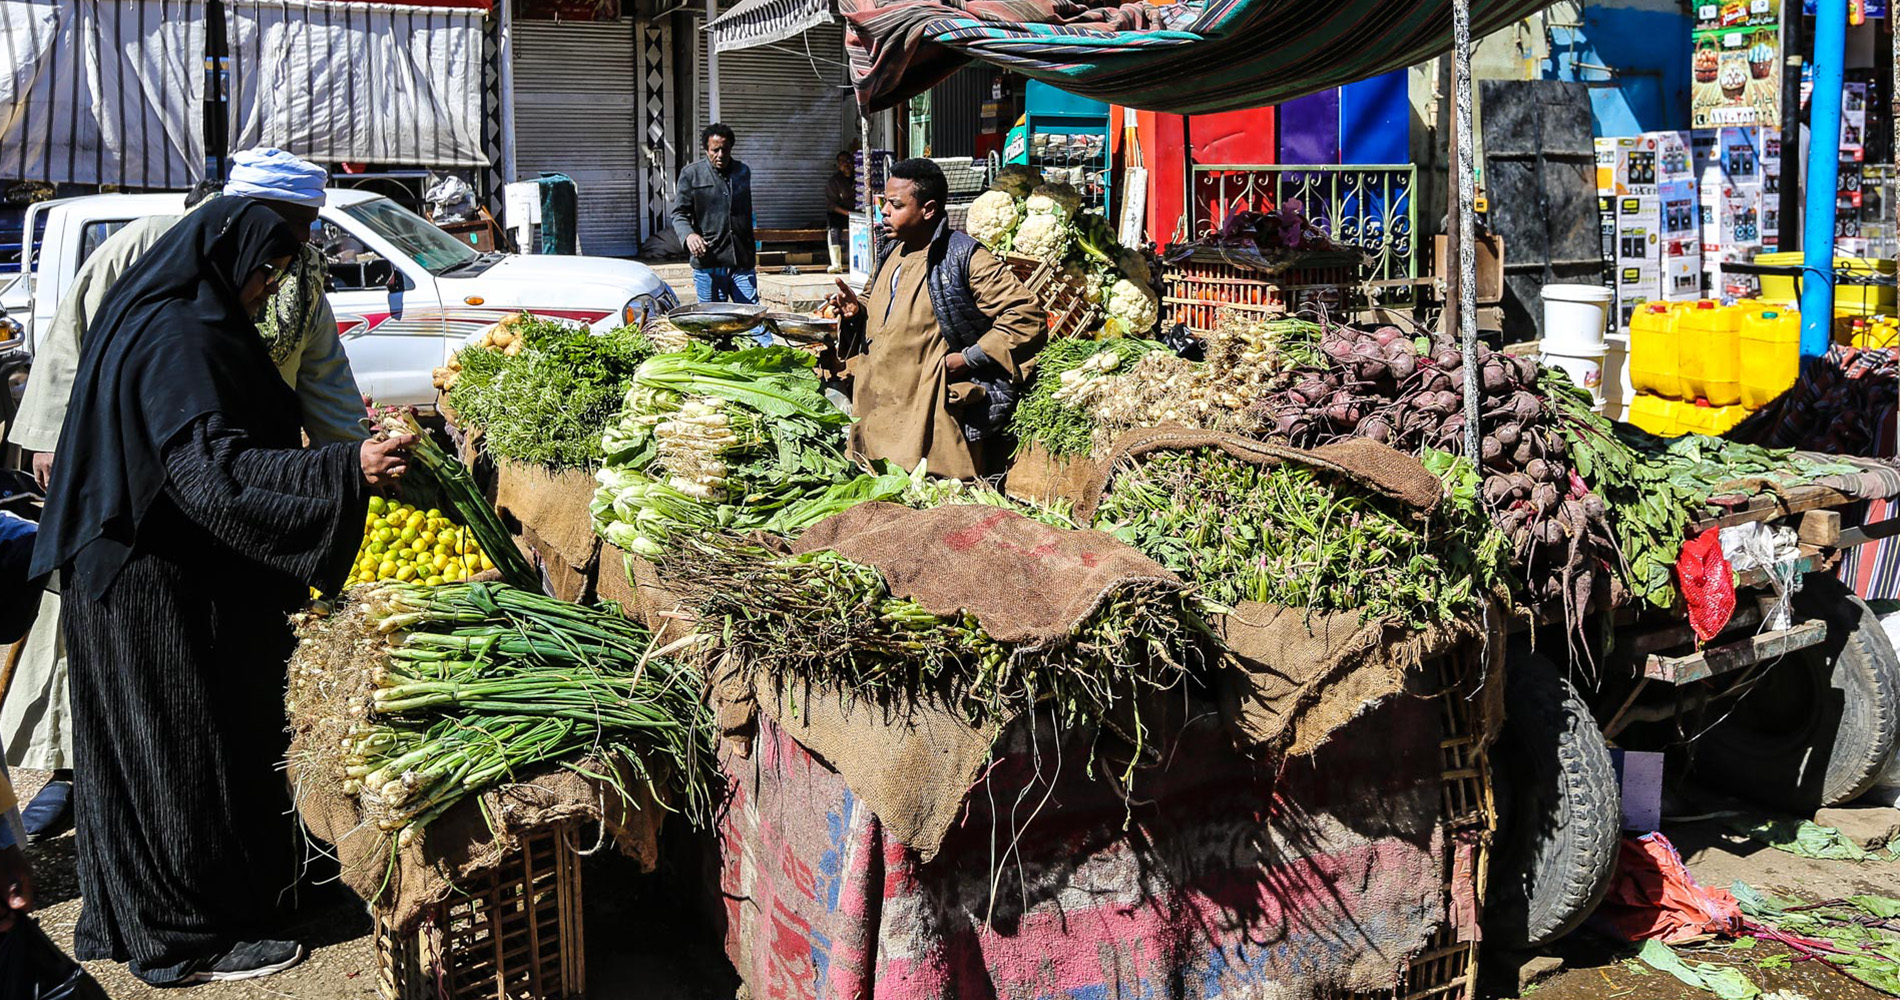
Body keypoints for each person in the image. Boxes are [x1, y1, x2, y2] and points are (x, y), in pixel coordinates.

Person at [28, 197, 413, 987]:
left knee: (193, 743)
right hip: (148, 581)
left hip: (161, 567)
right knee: (178, 751)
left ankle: (195, 906)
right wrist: (346, 470)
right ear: (224, 257)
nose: (268, 291)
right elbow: (212, 473)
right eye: (264, 273)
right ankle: (182, 939)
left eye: (278, 275)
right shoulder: (177, 336)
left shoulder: (174, 312)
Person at [2, 148, 363, 840]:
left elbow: (322, 373)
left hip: (228, 480)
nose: (299, 243)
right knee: (112, 651)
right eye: (293, 224)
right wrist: (56, 438)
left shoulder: (298, 274)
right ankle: (78, 773)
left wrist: (350, 460)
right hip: (129, 473)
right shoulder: (149, 249)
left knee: (191, 664)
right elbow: (80, 338)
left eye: (309, 227)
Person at [827, 158, 1045, 480]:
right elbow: (876, 303)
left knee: (930, 511)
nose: (884, 211)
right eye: (884, 202)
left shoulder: (964, 257)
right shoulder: (891, 251)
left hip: (927, 422)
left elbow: (1026, 316)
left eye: (895, 204)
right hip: (877, 412)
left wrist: (968, 359)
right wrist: (855, 311)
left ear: (928, 209)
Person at [670, 123, 758, 306]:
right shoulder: (691, 174)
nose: (720, 155)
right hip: (709, 262)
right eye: (715, 150)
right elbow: (679, 213)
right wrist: (689, 235)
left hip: (741, 262)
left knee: (752, 320)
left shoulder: (742, 172)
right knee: (713, 323)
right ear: (706, 149)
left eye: (725, 150)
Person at [825, 151, 855, 275]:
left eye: (849, 161)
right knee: (833, 229)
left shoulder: (860, 178)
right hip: (841, 214)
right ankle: (836, 264)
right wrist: (847, 213)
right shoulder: (834, 181)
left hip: (858, 212)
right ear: (838, 165)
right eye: (843, 162)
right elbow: (831, 205)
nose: (846, 164)